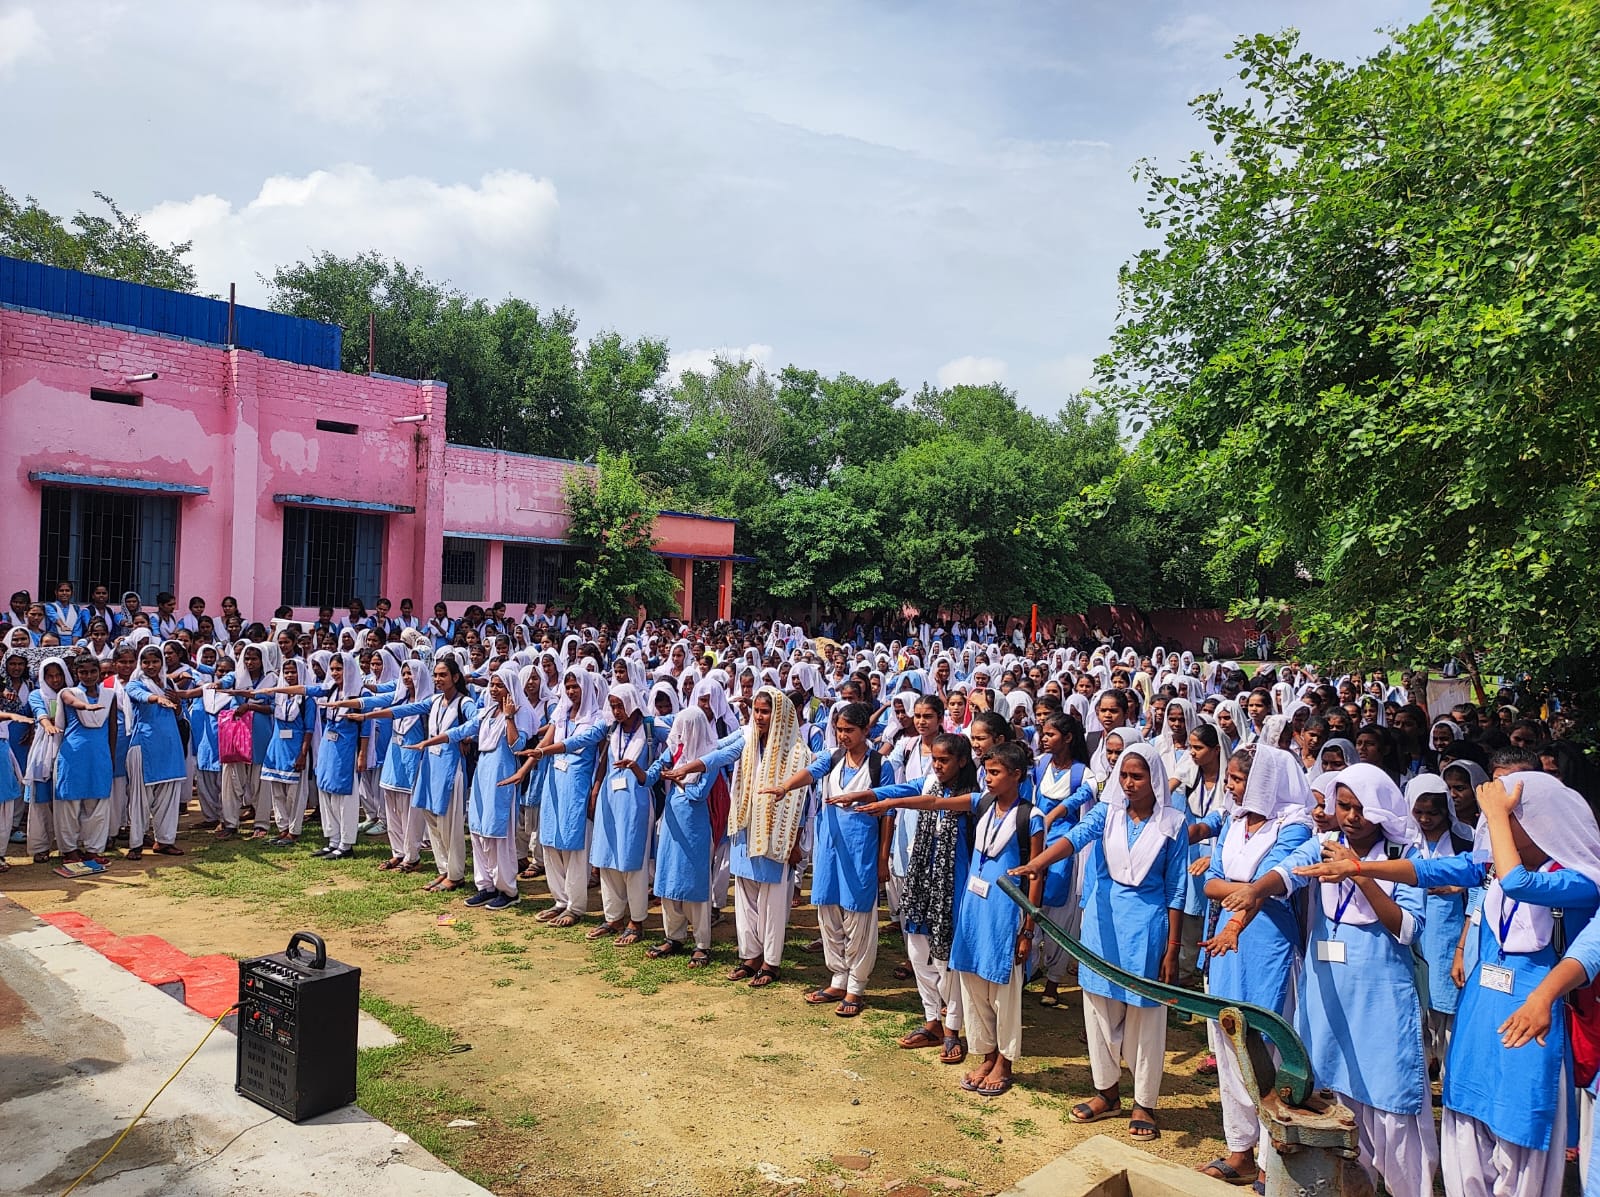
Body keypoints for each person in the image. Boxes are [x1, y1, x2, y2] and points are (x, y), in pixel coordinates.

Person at [1295, 770, 1600, 1197]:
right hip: (1480, 1015)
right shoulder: (1492, 867)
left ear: (1539, 824)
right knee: (1467, 1124)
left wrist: (1492, 811)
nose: (1496, 830)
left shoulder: (1580, 881)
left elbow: (1520, 884)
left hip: (1532, 1024)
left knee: (1519, 1129)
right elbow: (1427, 871)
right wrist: (1360, 867)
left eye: (1508, 820)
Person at [1216, 763, 1436, 1197]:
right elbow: (1288, 871)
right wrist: (1256, 893)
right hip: (1326, 996)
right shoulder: (1322, 846)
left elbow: (1407, 928)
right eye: (1344, 806)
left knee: (1388, 1104)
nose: (1350, 816)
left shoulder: (1404, 858)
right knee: (1331, 1097)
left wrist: (1359, 873)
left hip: (1378, 999)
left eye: (1359, 808)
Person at [1019, 741, 1186, 1141]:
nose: (1128, 783)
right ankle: (1106, 1092)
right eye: (1124, 776)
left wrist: (1173, 947)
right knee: (1098, 1008)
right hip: (1102, 922)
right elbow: (1074, 838)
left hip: (1147, 926)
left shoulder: (1173, 824)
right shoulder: (1106, 813)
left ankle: (1144, 1101)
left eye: (1137, 776)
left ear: (1154, 779)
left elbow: (1177, 889)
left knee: (1145, 1017)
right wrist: (1038, 863)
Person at [1193, 745, 1313, 1187]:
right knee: (1230, 1045)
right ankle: (1239, 1148)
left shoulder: (1296, 827)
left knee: (1269, 1047)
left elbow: (1279, 882)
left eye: (1240, 780)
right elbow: (1210, 883)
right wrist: (1248, 889)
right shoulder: (1235, 822)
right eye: (1230, 780)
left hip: (1271, 946)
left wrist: (1248, 889)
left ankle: (1271, 1158)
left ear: (1265, 783)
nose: (1231, 787)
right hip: (1227, 944)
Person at [669, 685, 811, 989]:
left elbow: (804, 802)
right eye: (756, 711)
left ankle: (771, 962)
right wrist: (684, 768)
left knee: (772, 903)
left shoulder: (797, 751)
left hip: (777, 835)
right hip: (746, 828)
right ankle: (750, 957)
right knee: (745, 898)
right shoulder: (746, 738)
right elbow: (717, 755)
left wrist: (797, 841)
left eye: (765, 711)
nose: (758, 717)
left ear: (780, 714)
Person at [763, 701, 892, 1018]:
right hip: (829, 850)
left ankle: (856, 986)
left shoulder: (880, 765)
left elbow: (888, 812)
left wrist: (883, 858)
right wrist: (784, 787)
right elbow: (810, 772)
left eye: (850, 730)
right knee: (828, 911)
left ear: (866, 731)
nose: (843, 735)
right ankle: (838, 977)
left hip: (861, 850)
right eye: (839, 729)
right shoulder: (832, 758)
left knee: (858, 917)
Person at [517, 667, 609, 926]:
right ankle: (559, 900)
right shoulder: (561, 713)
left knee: (574, 846)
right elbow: (544, 743)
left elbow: (584, 745)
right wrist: (524, 770)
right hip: (555, 782)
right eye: (568, 687)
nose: (571, 691)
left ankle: (575, 905)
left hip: (577, 784)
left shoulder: (598, 719)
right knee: (550, 841)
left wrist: (595, 788)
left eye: (575, 686)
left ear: (586, 688)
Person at [641, 705, 725, 967]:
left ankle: (701, 943)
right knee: (668, 879)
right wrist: (638, 769)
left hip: (695, 826)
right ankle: (673, 935)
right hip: (672, 822)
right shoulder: (674, 750)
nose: (680, 734)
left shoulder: (710, 756)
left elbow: (698, 793)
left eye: (685, 729)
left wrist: (677, 779)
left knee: (694, 882)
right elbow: (651, 774)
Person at [586, 683, 657, 942]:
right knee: (607, 858)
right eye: (613, 706)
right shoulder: (611, 729)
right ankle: (613, 917)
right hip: (609, 798)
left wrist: (655, 770)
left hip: (635, 801)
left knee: (633, 860)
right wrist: (595, 789)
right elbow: (604, 760)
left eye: (620, 705)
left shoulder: (650, 728)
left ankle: (636, 920)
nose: (617, 711)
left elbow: (677, 739)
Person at [462, 663, 527, 908]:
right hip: (482, 776)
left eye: (500, 685)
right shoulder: (487, 713)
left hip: (502, 778)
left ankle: (507, 889)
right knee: (479, 831)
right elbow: (466, 730)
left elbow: (518, 746)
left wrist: (509, 716)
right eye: (492, 684)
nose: (494, 689)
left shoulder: (519, 713)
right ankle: (486, 885)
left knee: (499, 834)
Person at [51, 654, 118, 864]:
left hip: (99, 755)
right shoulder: (68, 692)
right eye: (83, 672)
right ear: (75, 673)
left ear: (99, 672)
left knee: (98, 804)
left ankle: (93, 849)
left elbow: (113, 728)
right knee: (69, 803)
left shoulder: (109, 695)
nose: (88, 676)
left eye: (92, 671)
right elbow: (71, 701)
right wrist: (85, 706)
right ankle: (69, 850)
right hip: (73, 755)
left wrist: (111, 755)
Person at [124, 644, 187, 859]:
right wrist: (157, 698)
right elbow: (139, 696)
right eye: (146, 662)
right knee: (140, 797)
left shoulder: (169, 683)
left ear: (162, 662)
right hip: (145, 745)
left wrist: (176, 703)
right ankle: (136, 843)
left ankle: (165, 841)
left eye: (155, 661)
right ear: (140, 664)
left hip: (170, 745)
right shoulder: (135, 683)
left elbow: (179, 716)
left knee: (169, 795)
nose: (150, 666)